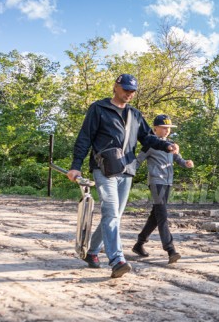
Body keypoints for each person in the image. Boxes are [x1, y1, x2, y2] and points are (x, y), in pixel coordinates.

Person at [67, 74, 180, 278]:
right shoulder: (99, 109)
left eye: (133, 91)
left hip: (127, 171)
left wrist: (166, 145)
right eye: (126, 89)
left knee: (114, 216)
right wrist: (76, 166)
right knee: (111, 213)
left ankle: (92, 252)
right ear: (115, 87)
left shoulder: (135, 115)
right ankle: (117, 259)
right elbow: (84, 138)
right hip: (104, 169)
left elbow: (147, 137)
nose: (129, 93)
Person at [132, 114, 194, 264]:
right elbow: (137, 161)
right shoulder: (150, 144)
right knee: (162, 216)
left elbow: (177, 158)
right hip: (156, 182)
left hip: (168, 183)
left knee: (156, 215)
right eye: (164, 128)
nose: (167, 131)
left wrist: (185, 163)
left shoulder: (171, 144)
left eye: (169, 128)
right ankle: (170, 250)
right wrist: (126, 174)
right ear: (155, 128)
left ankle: (139, 244)